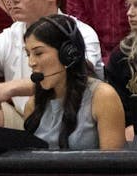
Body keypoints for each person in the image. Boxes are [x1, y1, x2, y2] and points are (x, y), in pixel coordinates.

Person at [21, 15, 126, 150]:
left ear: (68, 54)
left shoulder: (103, 97)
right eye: (28, 54)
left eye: (39, 53)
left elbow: (114, 165)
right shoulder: (32, 105)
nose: (31, 63)